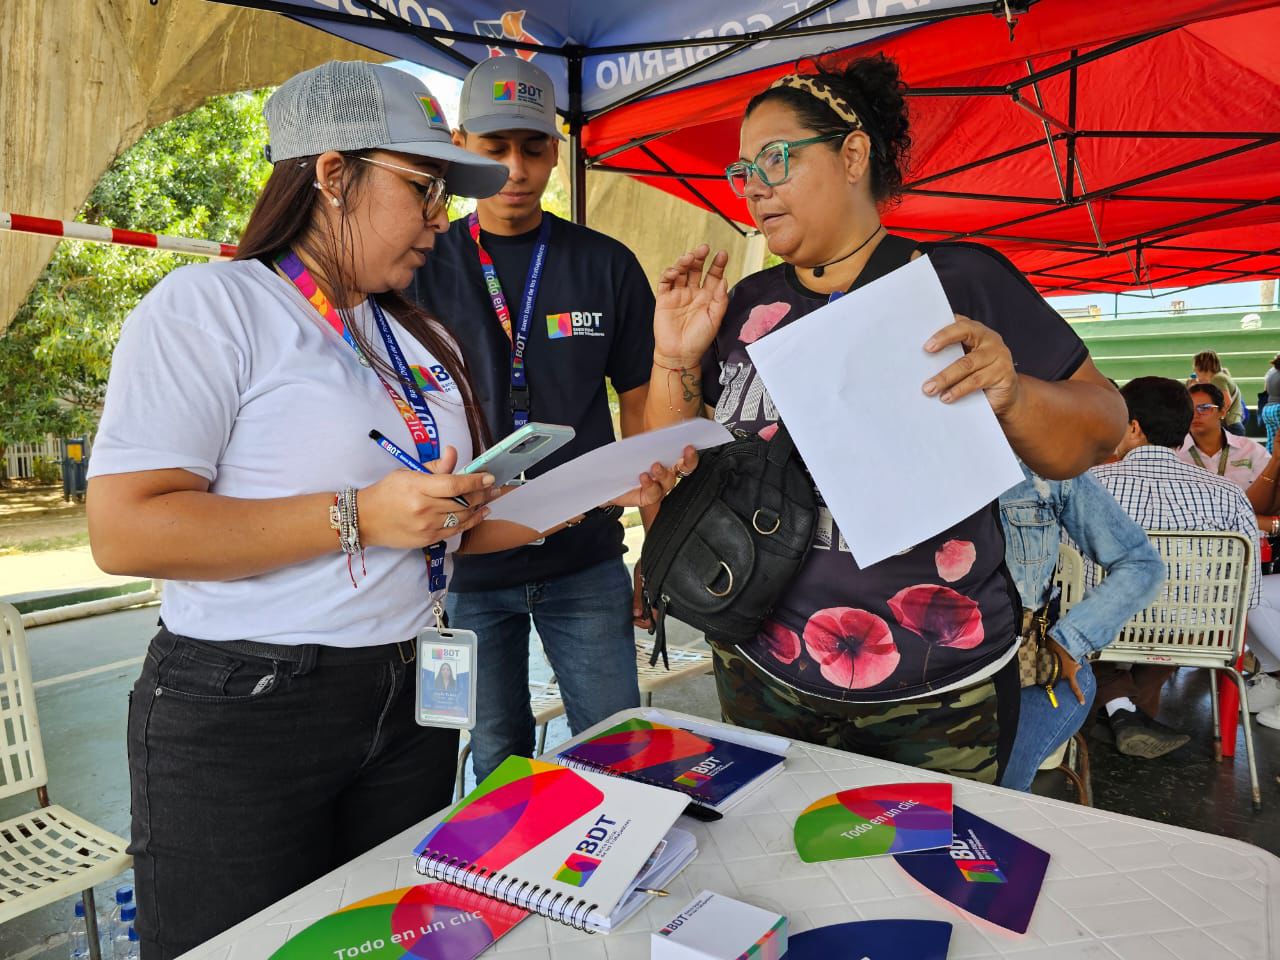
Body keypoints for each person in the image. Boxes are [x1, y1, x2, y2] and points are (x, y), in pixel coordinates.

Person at [85, 61, 674, 957]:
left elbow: (447, 523)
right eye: (423, 187)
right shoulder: (213, 306)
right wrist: (357, 515)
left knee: (381, 936)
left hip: (408, 696)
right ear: (332, 174)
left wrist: (594, 488)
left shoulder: (406, 334)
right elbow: (124, 528)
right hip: (252, 704)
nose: (441, 216)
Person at [642, 54, 1126, 784]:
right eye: (743, 172)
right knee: (772, 849)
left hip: (938, 695)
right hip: (760, 668)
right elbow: (670, 460)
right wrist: (674, 356)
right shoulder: (745, 305)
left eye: (775, 159)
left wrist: (1015, 394)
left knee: (928, 856)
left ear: (853, 154)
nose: (755, 188)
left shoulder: (959, 281)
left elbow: (1105, 425)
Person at [406, 57, 656, 783]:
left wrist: (658, 546)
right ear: (460, 146)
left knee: (617, 750)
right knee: (498, 758)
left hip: (586, 562)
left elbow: (642, 409)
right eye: (494, 149)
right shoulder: (419, 267)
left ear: (555, 148)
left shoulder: (606, 265)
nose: (515, 170)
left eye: (533, 148)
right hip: (468, 566)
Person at [1090, 377, 1261, 758]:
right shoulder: (1229, 495)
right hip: (1199, 635)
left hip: (1108, 629)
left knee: (1072, 614)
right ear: (1184, 431)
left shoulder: (1088, 485)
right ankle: (1127, 714)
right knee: (1179, 619)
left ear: (1133, 427)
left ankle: (1119, 708)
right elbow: (1247, 596)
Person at [997, 463, 1163, 791]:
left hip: (1025, 670)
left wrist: (1070, 639)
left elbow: (1141, 563)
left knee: (996, 793)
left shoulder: (1045, 469)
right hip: (922, 674)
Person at [1177, 381, 1270, 491]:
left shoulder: (1251, 450)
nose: (1195, 415)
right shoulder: (1175, 454)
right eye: (1189, 409)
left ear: (1222, 411)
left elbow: (1271, 492)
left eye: (1204, 408)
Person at [1193, 349, 1245, 435]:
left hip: (1229, 426)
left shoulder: (1217, 379)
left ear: (1201, 366)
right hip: (1233, 425)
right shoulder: (1219, 377)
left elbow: (1227, 402)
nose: (1194, 370)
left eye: (1195, 366)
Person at [1263, 353, 1280, 452]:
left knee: (1272, 444)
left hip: (1267, 410)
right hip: (1278, 408)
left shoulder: (1271, 372)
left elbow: (1265, 389)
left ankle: (1269, 460)